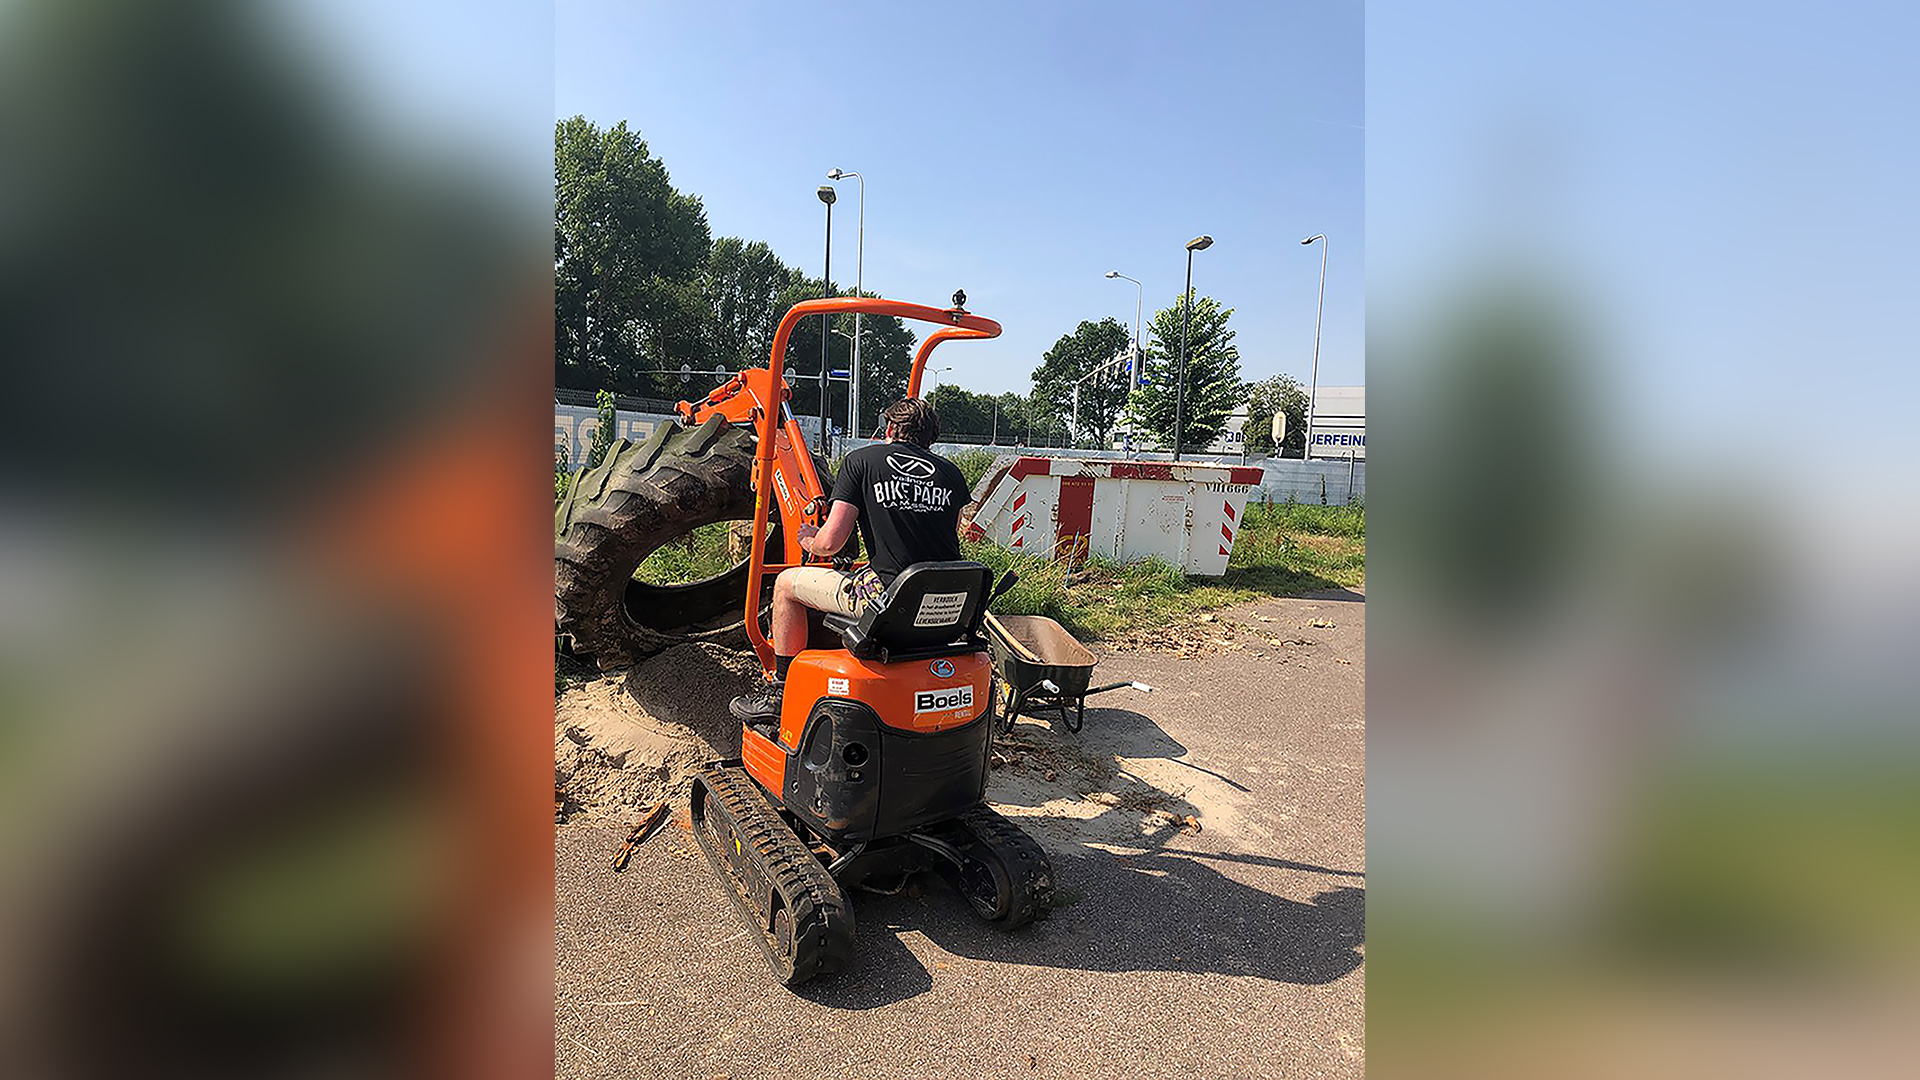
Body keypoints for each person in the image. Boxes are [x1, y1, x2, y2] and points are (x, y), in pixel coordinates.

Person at [729, 397, 968, 722]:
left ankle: (780, 691)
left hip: (890, 599)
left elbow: (831, 542)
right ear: (931, 437)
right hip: (945, 602)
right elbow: (943, 540)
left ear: (891, 428)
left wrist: (807, 537)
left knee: (786, 584)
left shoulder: (862, 461)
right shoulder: (952, 474)